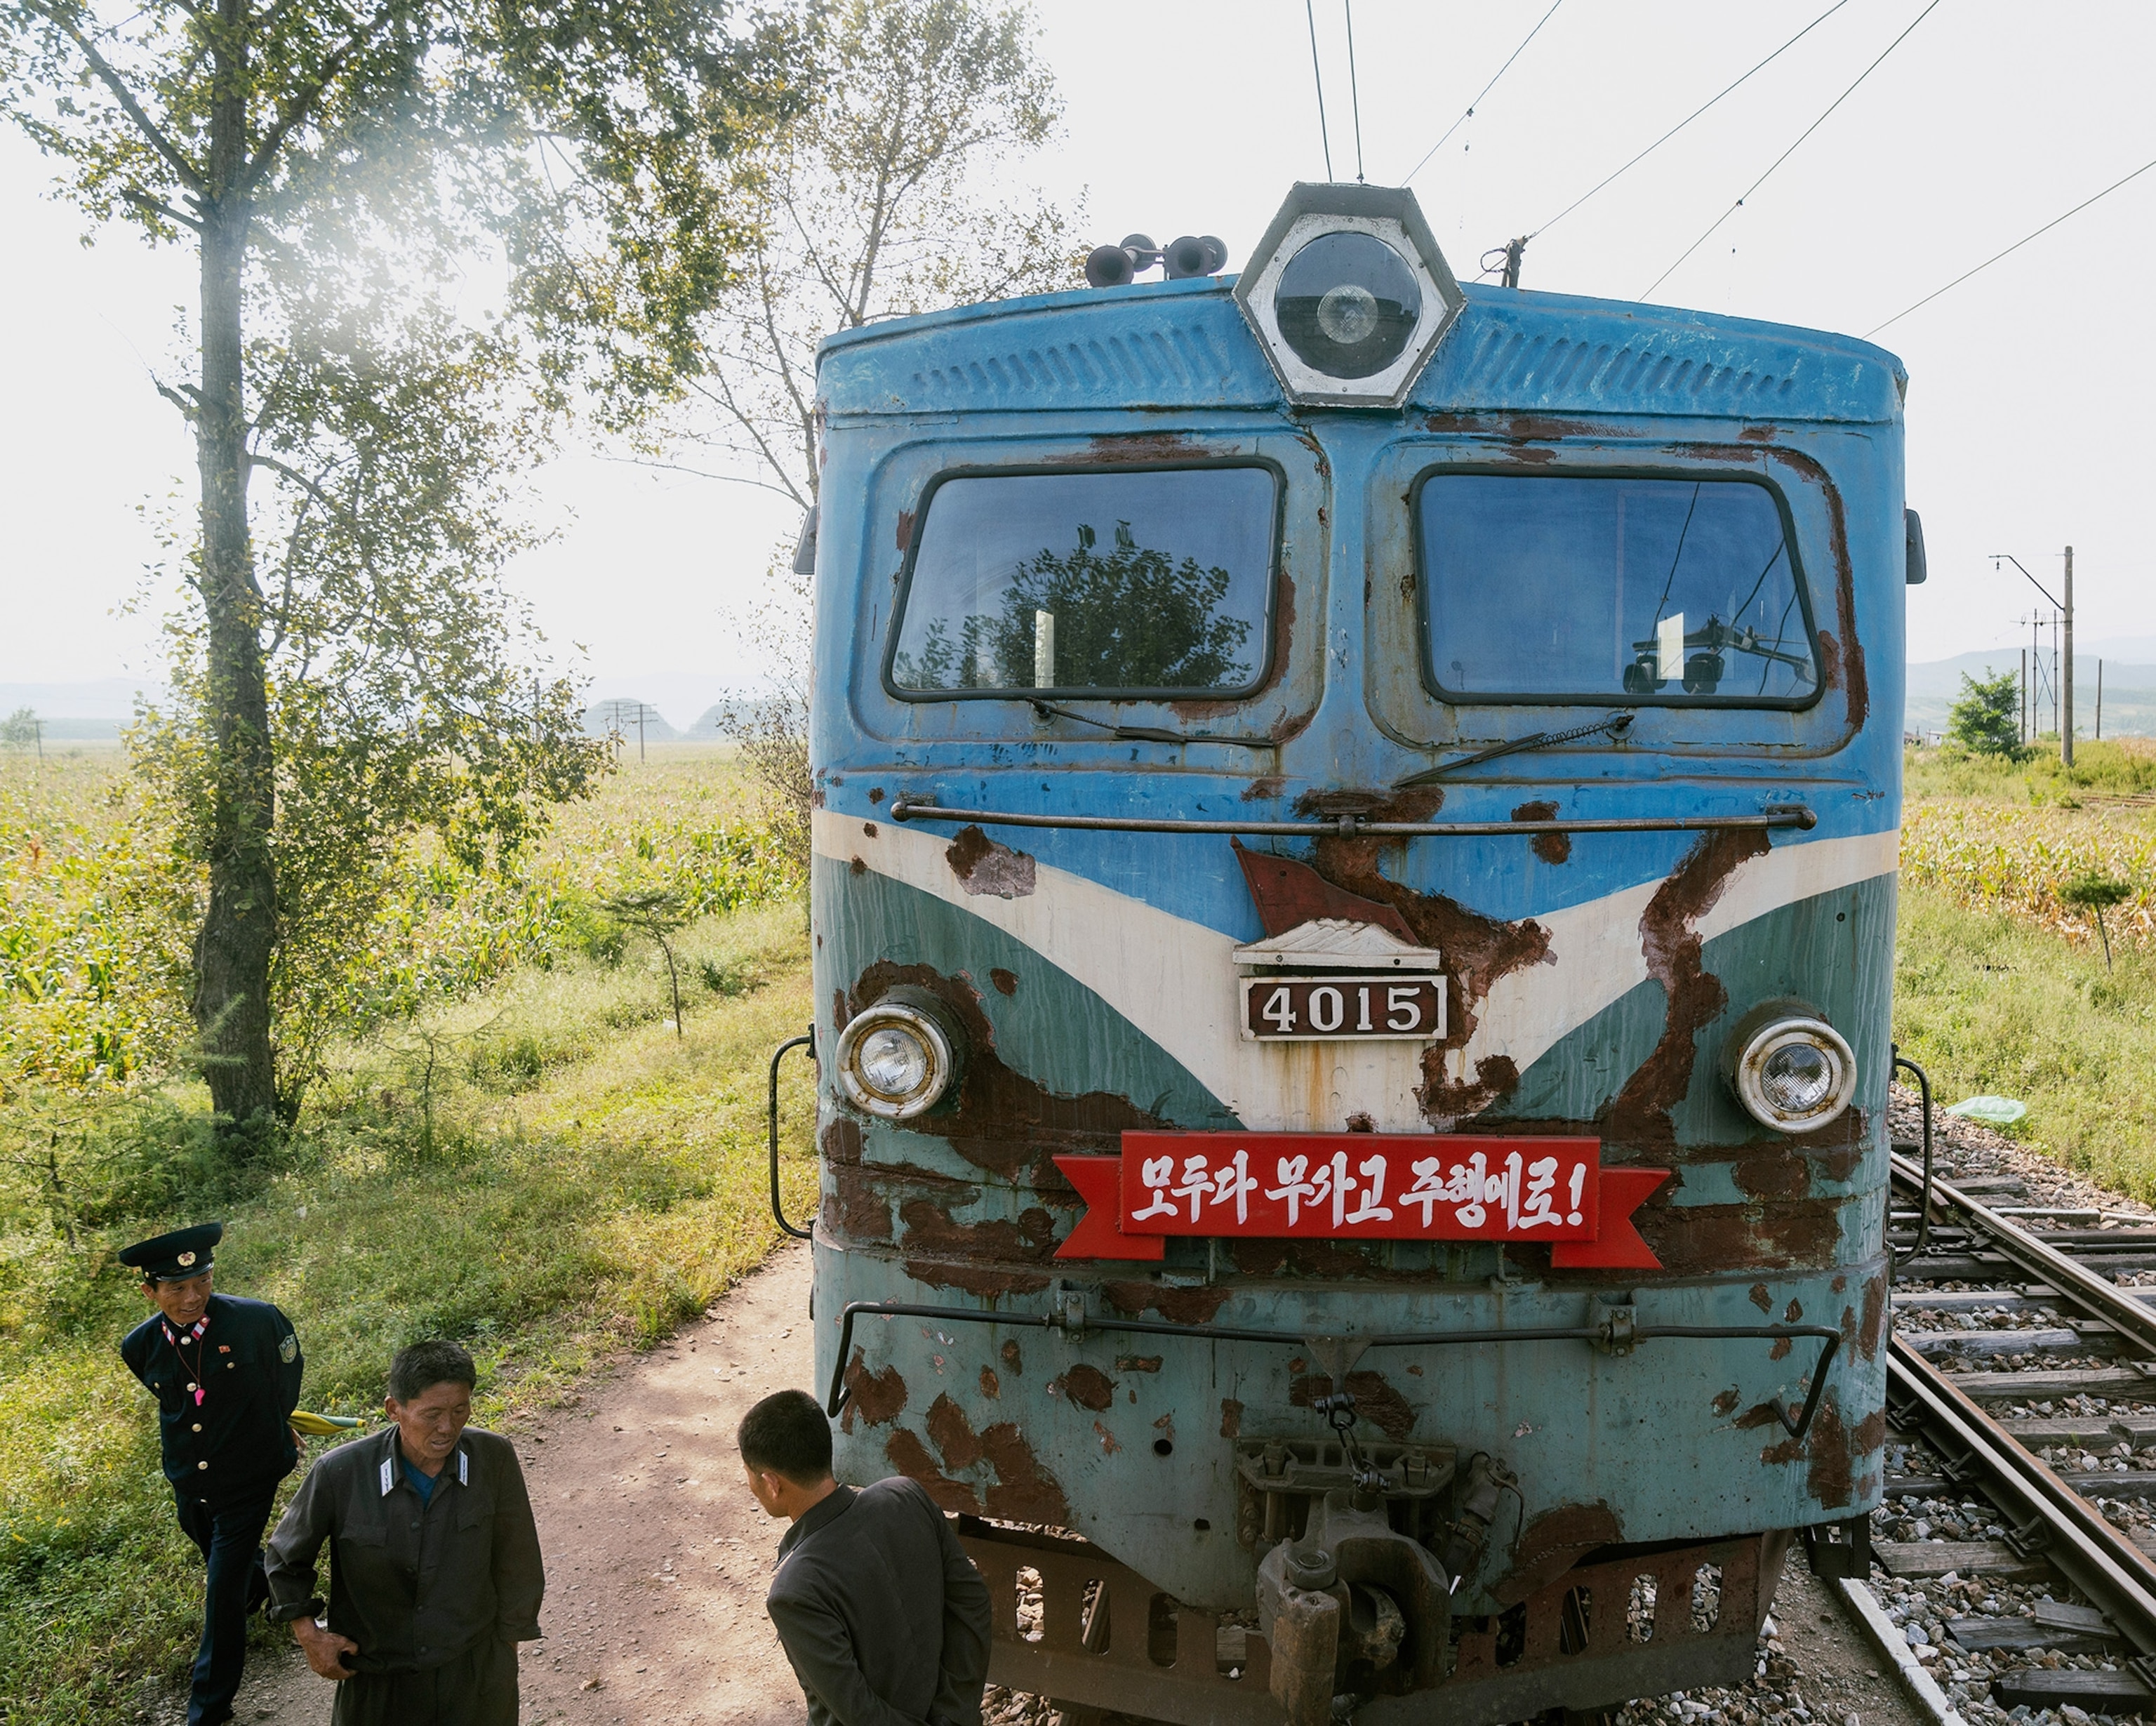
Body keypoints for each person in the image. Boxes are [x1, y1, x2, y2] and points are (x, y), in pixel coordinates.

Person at [265, 1339, 545, 1725]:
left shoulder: (492, 1457)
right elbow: (284, 1558)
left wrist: (504, 1652)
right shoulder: (340, 1473)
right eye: (432, 1414)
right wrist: (310, 1636)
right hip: (378, 1682)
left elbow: (518, 1556)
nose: (448, 1428)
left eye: (459, 1410)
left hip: (473, 1670)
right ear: (394, 1409)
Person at [118, 1220, 305, 1726]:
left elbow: (286, 1376)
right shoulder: (139, 1345)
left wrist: (274, 1424)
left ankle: (208, 1708)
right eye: (176, 1287)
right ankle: (274, 1583)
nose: (192, 1295)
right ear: (150, 1291)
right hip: (190, 1482)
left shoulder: (257, 1320)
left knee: (221, 1591)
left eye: (202, 1281)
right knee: (224, 1557)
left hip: (249, 1476)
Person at [740, 1388, 992, 1726]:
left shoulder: (795, 1592)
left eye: (750, 1474)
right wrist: (955, 1712)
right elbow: (973, 1602)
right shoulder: (906, 1496)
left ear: (772, 1483)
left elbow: (859, 1712)